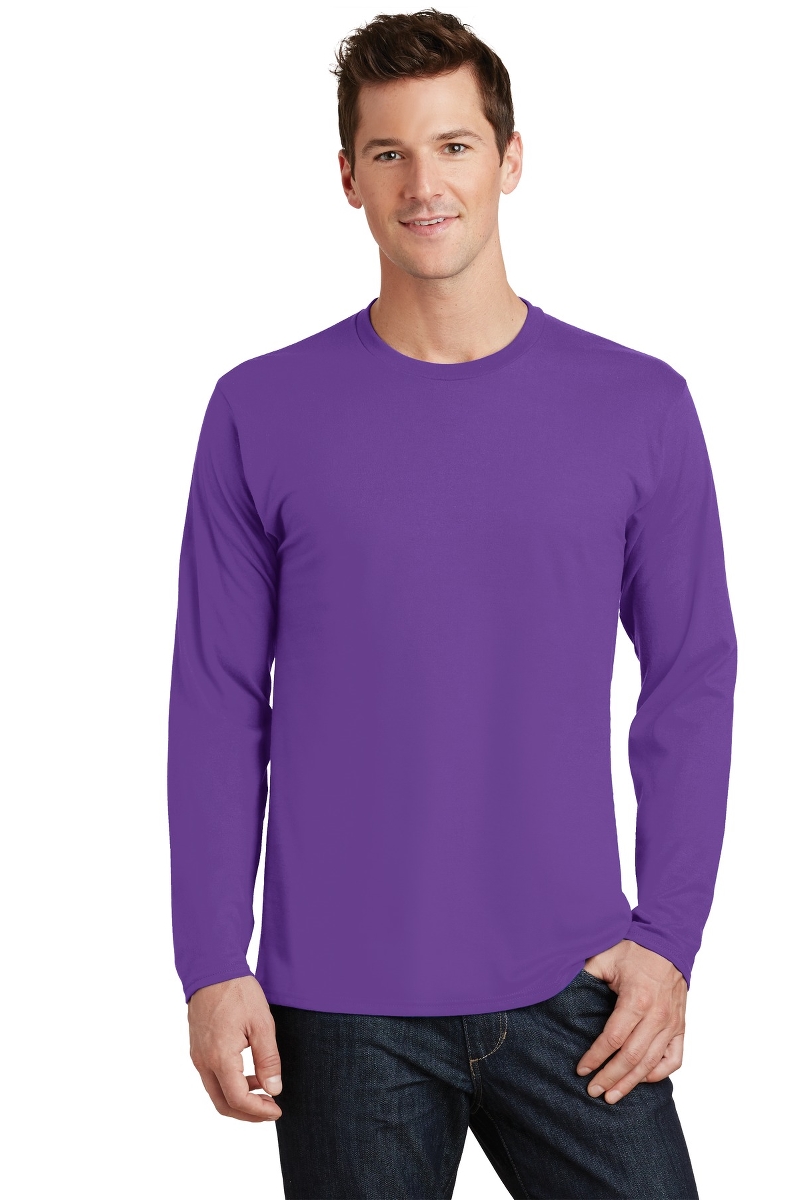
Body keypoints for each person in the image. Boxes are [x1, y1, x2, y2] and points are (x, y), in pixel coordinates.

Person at [168, 10, 737, 1198]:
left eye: (455, 146)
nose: (423, 184)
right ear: (348, 176)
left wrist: (670, 939)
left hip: (578, 981)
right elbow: (217, 698)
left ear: (510, 158)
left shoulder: (638, 407)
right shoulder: (259, 412)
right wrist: (211, 960)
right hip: (340, 1006)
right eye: (389, 153)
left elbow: (691, 677)